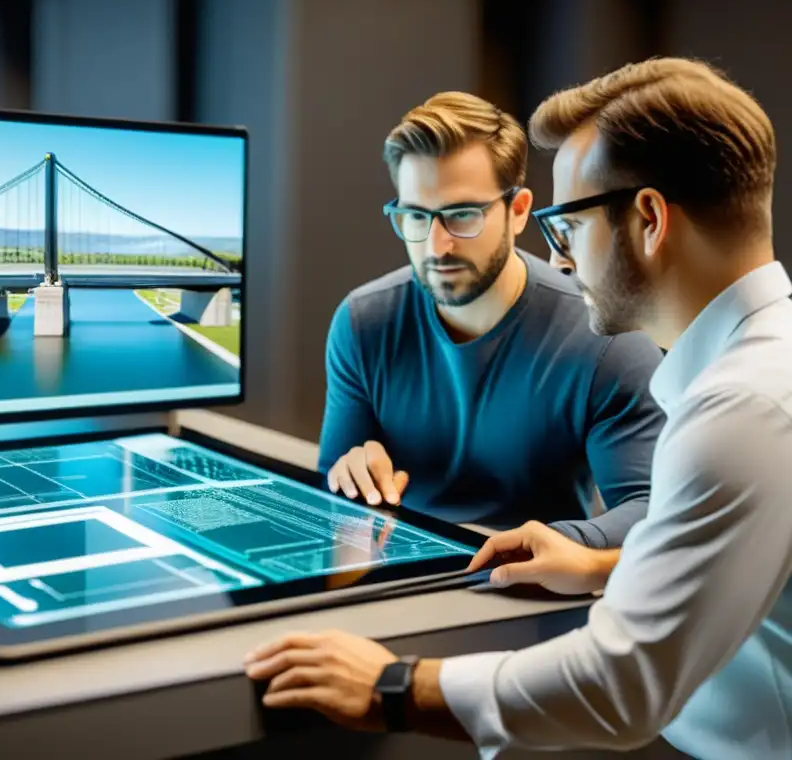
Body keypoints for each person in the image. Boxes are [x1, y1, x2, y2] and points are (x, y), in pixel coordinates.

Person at [245, 56, 792, 759]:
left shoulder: (738, 410)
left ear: (650, 219)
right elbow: (726, 562)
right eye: (416, 217)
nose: (562, 260)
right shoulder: (756, 371)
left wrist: (393, 686)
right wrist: (599, 567)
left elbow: (621, 687)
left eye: (570, 227)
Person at [320, 90, 664, 546]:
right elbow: (331, 485)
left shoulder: (604, 338)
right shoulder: (363, 323)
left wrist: (532, 545)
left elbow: (649, 510)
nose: (437, 246)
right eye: (416, 217)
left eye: (462, 215)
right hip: (401, 583)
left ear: (518, 211)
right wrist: (349, 475)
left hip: (541, 589)